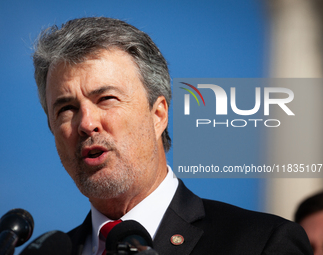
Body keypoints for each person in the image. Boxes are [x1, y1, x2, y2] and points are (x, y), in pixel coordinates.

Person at [32, 16, 312, 255]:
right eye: (66, 109)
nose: (86, 123)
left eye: (106, 98)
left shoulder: (262, 243)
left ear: (158, 115)